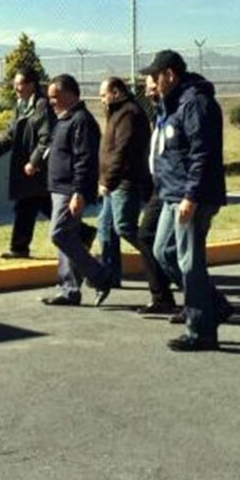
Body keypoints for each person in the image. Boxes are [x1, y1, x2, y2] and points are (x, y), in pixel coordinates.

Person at [141, 50, 232, 351]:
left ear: (169, 75)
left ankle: (201, 330)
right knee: (163, 251)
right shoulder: (171, 104)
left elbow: (201, 153)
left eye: (154, 77)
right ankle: (214, 304)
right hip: (170, 193)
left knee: (189, 262)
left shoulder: (195, 103)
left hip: (190, 196)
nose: (150, 83)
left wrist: (191, 196)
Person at [96, 76, 171, 311]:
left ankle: (159, 265)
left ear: (117, 92)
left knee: (125, 228)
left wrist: (108, 180)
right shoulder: (116, 111)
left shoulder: (129, 114)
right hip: (113, 181)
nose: (101, 99)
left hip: (124, 182)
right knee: (105, 228)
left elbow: (123, 150)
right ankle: (107, 277)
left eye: (103, 94)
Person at [41, 74, 113, 307]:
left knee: (58, 233)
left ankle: (99, 275)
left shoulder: (81, 120)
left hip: (70, 189)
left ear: (70, 94)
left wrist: (79, 192)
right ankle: (70, 289)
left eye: (55, 96)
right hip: (59, 188)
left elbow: (85, 159)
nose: (51, 101)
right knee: (67, 236)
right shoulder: (64, 119)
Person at [0, 69, 55, 259]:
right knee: (39, 205)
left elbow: (46, 138)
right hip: (25, 167)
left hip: (37, 169)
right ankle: (84, 234)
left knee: (28, 204)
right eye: (15, 84)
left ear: (32, 85)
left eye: (20, 84)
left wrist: (35, 162)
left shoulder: (42, 106)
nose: (16, 88)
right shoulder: (22, 104)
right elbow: (11, 132)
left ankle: (19, 248)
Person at [135, 74, 180, 315]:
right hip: (159, 185)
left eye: (152, 89)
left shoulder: (179, 109)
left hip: (175, 188)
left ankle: (206, 301)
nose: (149, 94)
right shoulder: (159, 111)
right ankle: (162, 296)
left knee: (163, 245)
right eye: (146, 90)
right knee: (148, 238)